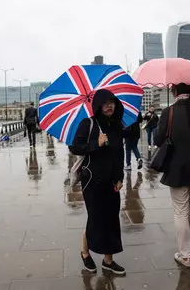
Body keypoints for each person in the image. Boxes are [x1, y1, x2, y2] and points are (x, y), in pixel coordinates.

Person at [154, 83, 190, 268]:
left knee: (180, 210)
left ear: (175, 92)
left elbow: (158, 140)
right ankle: (186, 245)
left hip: (178, 168)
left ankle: (185, 254)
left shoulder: (169, 112)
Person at [70, 89, 126, 275]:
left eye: (112, 102)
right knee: (95, 218)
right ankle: (85, 253)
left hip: (111, 182)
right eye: (105, 102)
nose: (109, 105)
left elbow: (119, 154)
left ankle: (108, 260)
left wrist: (120, 177)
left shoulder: (117, 125)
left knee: (111, 219)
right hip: (92, 180)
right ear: (98, 105)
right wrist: (97, 144)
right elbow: (75, 147)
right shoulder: (88, 123)